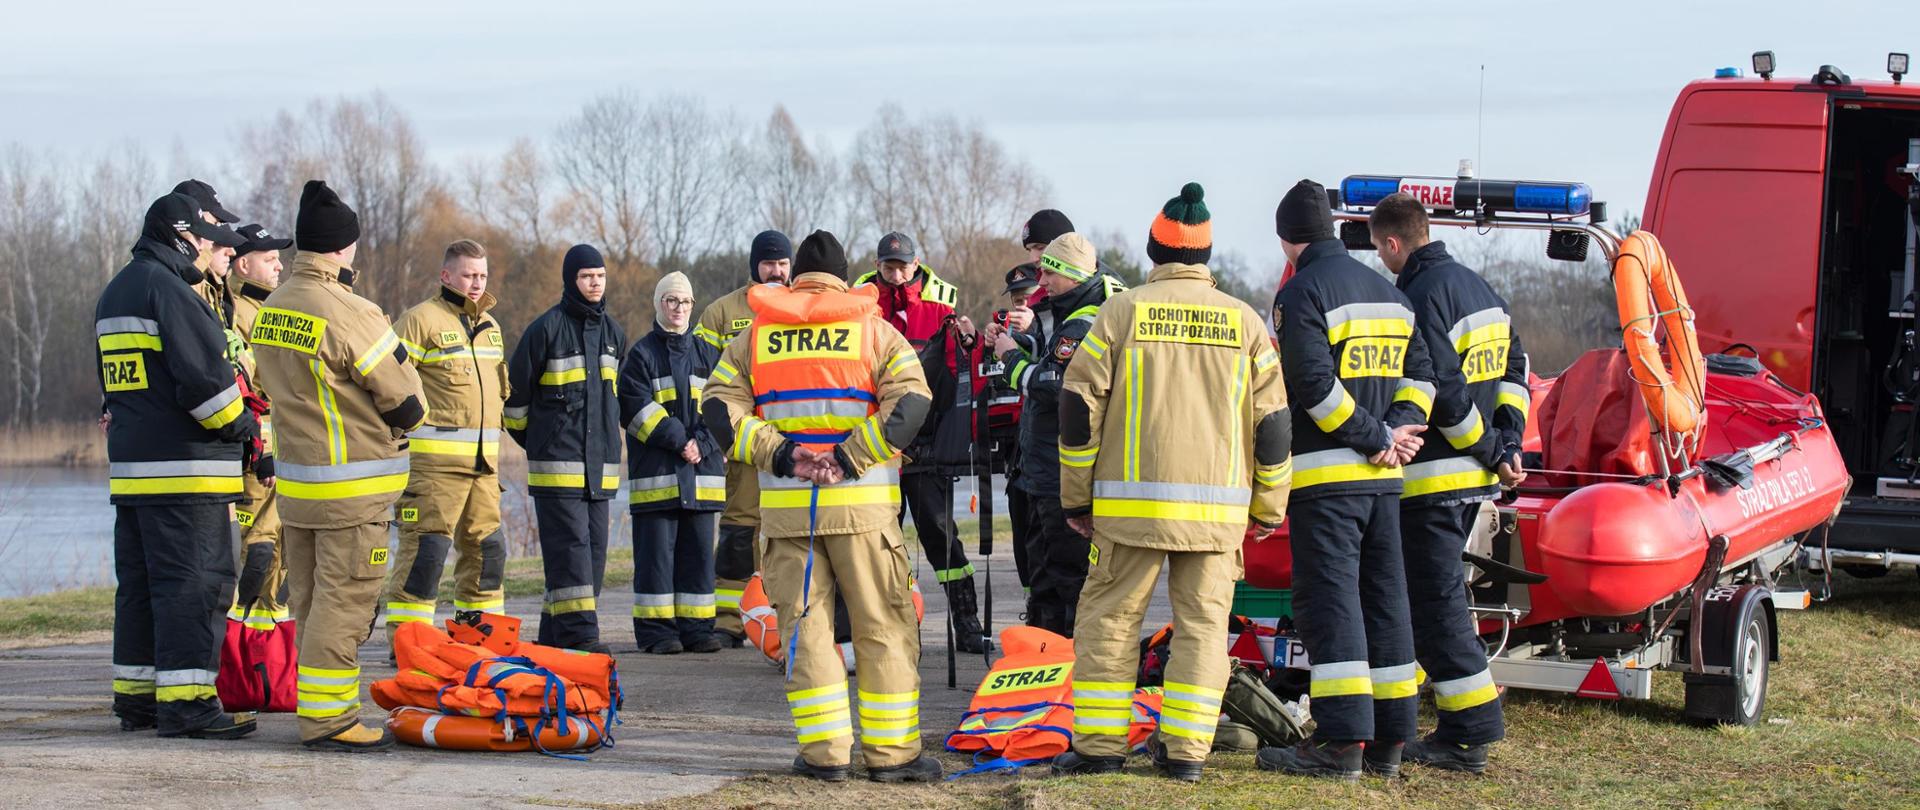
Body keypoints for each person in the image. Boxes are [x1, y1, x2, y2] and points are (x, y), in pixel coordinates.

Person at [1044, 183, 1288, 782]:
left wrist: (1077, 496)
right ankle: (1187, 756)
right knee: (1205, 629)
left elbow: (1077, 407)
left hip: (1128, 510)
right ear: (1205, 256)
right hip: (1217, 516)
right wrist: (1268, 508)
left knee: (1110, 620)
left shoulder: (1120, 313)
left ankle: (1100, 748)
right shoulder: (1245, 322)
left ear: (1155, 251)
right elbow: (1275, 425)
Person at [702, 230, 943, 783]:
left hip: (790, 518)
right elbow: (913, 403)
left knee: (805, 633)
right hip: (864, 515)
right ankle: (893, 756)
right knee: (883, 627)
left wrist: (786, 455)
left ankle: (824, 756)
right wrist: (850, 455)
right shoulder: (874, 331)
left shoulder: (756, 337)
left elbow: (718, 410)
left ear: (794, 277)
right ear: (843, 277)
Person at [1256, 179, 1438, 779]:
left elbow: (1312, 388)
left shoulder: (1302, 291)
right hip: (1386, 484)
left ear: (1287, 240)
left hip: (1330, 482)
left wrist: (1375, 435)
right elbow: (1422, 377)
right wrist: (1400, 429)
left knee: (1332, 607)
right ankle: (1390, 741)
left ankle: (1340, 745)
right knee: (1386, 603)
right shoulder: (1388, 292)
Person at [251, 180, 427, 751]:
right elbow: (408, 402)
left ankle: (315, 709)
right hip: (352, 492)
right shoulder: (350, 311)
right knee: (345, 604)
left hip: (298, 489)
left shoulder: (272, 306)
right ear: (343, 248)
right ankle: (329, 720)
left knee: (307, 602)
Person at [1369, 193, 1529, 773]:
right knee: (1436, 601)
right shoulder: (1480, 288)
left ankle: (1470, 730)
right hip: (1474, 482)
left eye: (1378, 248)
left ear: (1392, 242)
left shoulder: (1416, 296)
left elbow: (1442, 390)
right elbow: (1516, 370)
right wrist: (1508, 444)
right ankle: (1448, 724)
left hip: (1434, 481)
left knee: (1434, 608)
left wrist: (1489, 446)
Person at [97, 192, 258, 739]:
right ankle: (189, 705)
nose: (210, 249)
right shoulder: (171, 291)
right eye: (203, 239)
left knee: (142, 589)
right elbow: (207, 390)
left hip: (134, 472)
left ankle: (138, 701)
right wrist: (249, 432)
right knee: (195, 587)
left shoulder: (117, 290)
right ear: (179, 237)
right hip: (188, 473)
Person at [852, 231, 988, 654]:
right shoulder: (857, 303)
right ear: (877, 266)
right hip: (876, 446)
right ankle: (889, 626)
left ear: (916, 264)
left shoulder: (940, 305)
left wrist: (972, 344)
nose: (895, 274)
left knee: (941, 536)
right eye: (888, 267)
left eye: (902, 266)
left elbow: (961, 375)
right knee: (879, 543)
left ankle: (967, 624)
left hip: (926, 446)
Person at [383, 239, 511, 634]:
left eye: (482, 275)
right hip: (433, 471)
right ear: (446, 275)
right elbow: (388, 385)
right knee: (426, 555)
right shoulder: (419, 320)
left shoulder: (490, 327)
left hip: (484, 469)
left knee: (488, 553)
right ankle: (408, 642)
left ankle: (482, 639)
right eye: (469, 275)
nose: (476, 283)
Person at [505, 244, 626, 653]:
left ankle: (553, 638)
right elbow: (515, 404)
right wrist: (542, 442)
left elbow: (616, 403)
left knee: (591, 556)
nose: (595, 282)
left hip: (600, 474)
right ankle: (581, 639)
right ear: (570, 280)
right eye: (586, 276)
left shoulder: (614, 335)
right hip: (556, 469)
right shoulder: (544, 331)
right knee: (572, 554)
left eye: (600, 275)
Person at [618, 271, 725, 654]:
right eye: (671, 301)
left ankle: (697, 630)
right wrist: (682, 441)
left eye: (685, 302)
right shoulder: (642, 355)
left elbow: (727, 406)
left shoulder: (709, 355)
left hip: (701, 476)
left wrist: (704, 443)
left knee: (697, 558)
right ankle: (657, 632)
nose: (679, 309)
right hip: (658, 478)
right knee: (656, 561)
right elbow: (634, 407)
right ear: (659, 304)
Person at [694, 229, 791, 645]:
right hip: (743, 440)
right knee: (739, 528)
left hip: (791, 439)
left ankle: (781, 616)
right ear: (755, 265)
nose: (775, 270)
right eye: (768, 263)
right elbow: (697, 377)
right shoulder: (721, 312)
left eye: (783, 263)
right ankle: (730, 622)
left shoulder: (802, 307)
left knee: (790, 530)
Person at [227, 223, 294, 627]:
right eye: (270, 260)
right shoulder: (236, 314)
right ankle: (239, 646)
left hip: (293, 450)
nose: (280, 266)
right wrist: (263, 451)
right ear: (243, 265)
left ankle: (271, 654)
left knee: (284, 554)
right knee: (258, 553)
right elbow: (248, 390)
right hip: (258, 454)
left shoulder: (281, 310)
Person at [986, 263, 1038, 590]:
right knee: (1021, 530)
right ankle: (1033, 604)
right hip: (1016, 453)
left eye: (1028, 299)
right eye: (1017, 301)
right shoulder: (1005, 337)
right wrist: (990, 344)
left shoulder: (1058, 329)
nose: (1021, 307)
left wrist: (1032, 334)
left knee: (1047, 535)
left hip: (1047, 450)